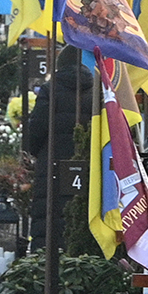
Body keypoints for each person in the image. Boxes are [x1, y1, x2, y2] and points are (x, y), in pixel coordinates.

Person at [20, 57, 90, 250]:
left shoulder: (50, 89)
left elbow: (37, 127)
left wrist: (34, 151)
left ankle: (46, 264)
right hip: (87, 162)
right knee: (81, 212)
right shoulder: (96, 89)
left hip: (52, 161)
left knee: (50, 215)